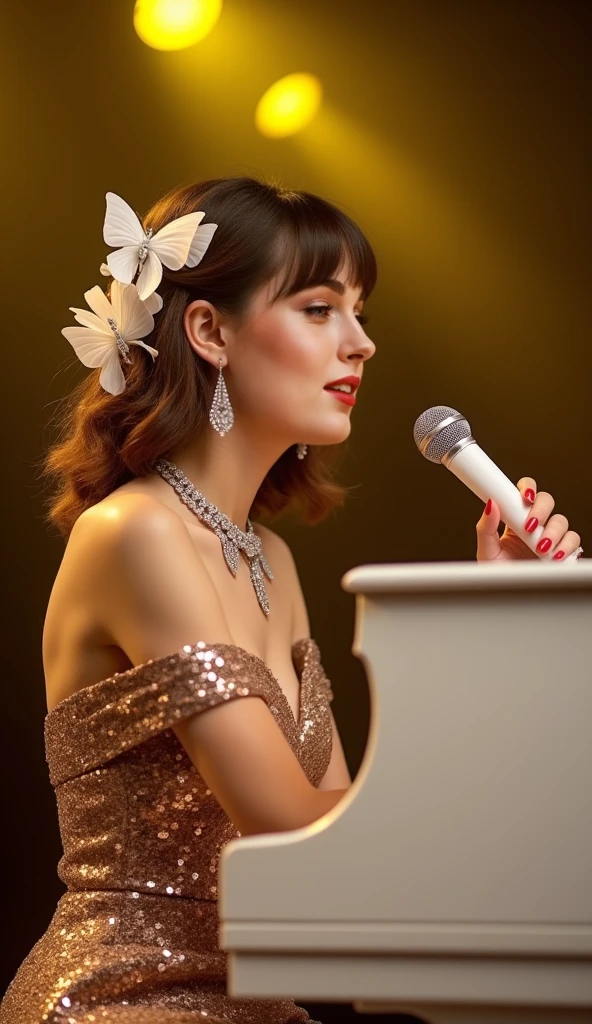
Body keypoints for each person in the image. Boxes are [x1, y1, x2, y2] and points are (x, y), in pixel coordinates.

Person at [0, 177, 581, 1024]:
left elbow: (354, 845)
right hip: (127, 1000)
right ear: (209, 330)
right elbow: (291, 823)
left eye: (361, 315)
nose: (360, 345)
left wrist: (502, 615)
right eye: (319, 308)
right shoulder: (135, 536)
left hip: (258, 1004)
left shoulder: (267, 557)